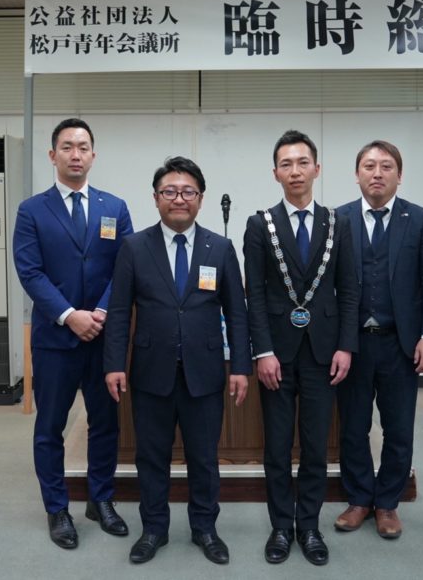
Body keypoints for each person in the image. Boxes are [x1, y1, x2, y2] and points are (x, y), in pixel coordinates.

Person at [104, 156, 250, 566]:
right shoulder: (134, 247)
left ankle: (205, 528)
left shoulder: (220, 248)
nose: (179, 198)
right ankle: (154, 528)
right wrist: (113, 364)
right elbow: (119, 311)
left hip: (205, 373)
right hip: (152, 373)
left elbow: (237, 312)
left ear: (201, 198)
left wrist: (241, 366)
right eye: (170, 191)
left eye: (188, 191)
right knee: (151, 457)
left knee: (204, 457)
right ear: (156, 198)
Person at [13, 118, 133, 549]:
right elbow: (30, 272)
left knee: (105, 423)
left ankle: (100, 499)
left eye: (83, 147)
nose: (75, 155)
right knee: (51, 427)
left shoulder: (114, 207)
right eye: (67, 147)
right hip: (55, 339)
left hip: (103, 337)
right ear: (53, 155)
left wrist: (98, 312)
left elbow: (126, 266)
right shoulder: (32, 210)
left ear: (93, 156)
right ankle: (57, 508)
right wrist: (69, 315)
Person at [243, 130, 358, 566]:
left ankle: (308, 526)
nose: (295, 171)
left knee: (314, 446)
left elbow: (349, 290)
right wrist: (262, 351)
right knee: (276, 447)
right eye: (286, 164)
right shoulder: (260, 225)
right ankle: (280, 526)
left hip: (323, 354)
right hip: (276, 355)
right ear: (275, 173)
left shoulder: (338, 223)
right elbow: (254, 292)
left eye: (302, 162)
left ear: (317, 169)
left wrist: (346, 346)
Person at [333, 140, 423, 540]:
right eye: (369, 166)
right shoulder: (338, 219)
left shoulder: (421, 220)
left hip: (401, 344)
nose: (377, 173)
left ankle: (388, 503)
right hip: (353, 344)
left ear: (399, 174)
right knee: (353, 427)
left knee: (398, 428)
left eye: (386, 166)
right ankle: (359, 499)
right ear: (357, 174)